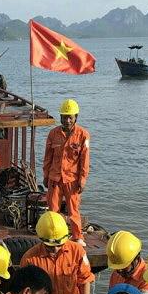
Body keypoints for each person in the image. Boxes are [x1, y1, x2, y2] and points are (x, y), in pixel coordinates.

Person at [21, 211, 94, 294]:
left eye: (59, 245)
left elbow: (85, 280)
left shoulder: (77, 251)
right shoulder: (30, 259)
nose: (55, 249)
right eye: (50, 246)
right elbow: (24, 293)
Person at [43, 99, 90, 244]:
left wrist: (82, 180)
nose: (67, 120)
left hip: (72, 179)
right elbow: (47, 157)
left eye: (70, 117)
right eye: (64, 117)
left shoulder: (83, 135)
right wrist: (45, 176)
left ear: (76, 117)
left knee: (73, 210)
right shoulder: (53, 134)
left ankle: (77, 236)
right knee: (53, 211)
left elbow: (85, 160)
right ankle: (53, 235)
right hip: (55, 178)